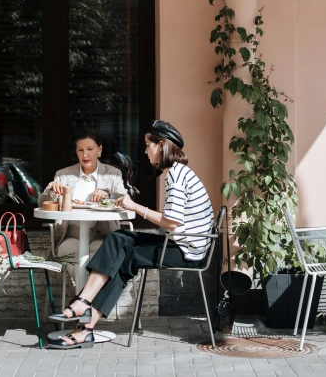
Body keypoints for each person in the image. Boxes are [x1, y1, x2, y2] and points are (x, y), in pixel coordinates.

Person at [47, 120, 215, 349]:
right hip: (183, 244)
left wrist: (135, 206)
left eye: (148, 145)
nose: (145, 151)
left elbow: (172, 222)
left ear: (162, 145)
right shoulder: (178, 172)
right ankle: (83, 308)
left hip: (185, 251)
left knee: (126, 258)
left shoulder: (176, 175)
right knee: (118, 239)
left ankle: (83, 319)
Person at [37, 129, 127, 287]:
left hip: (103, 237)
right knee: (78, 259)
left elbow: (125, 200)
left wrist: (108, 194)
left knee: (98, 262)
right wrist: (51, 190)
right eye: (80, 150)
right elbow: (41, 203)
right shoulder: (63, 175)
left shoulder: (113, 174)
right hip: (69, 237)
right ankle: (88, 305)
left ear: (99, 150)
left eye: (90, 149)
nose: (85, 155)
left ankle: (81, 304)